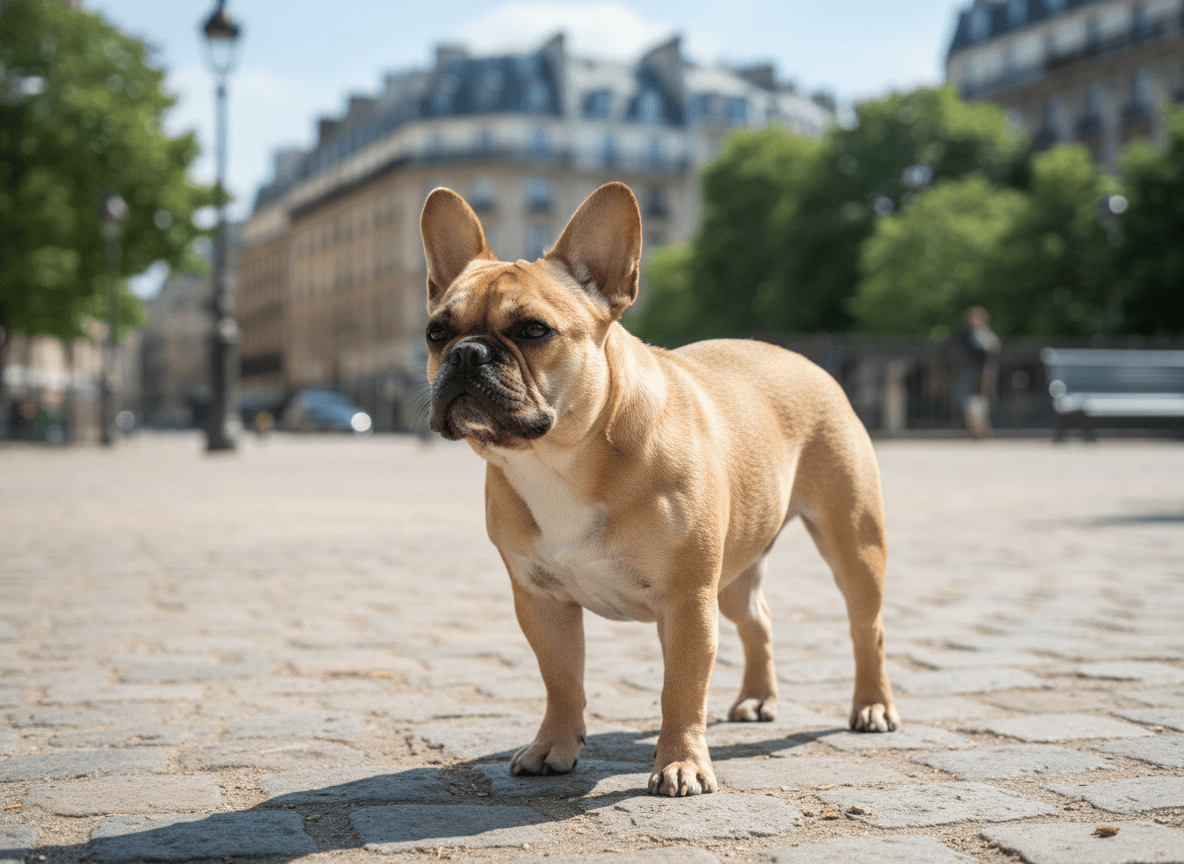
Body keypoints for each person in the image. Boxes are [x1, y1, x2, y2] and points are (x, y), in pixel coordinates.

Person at [951, 306, 1001, 439]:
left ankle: (980, 431)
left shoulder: (983, 335)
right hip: (969, 372)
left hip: (980, 373)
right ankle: (974, 431)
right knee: (970, 402)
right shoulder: (969, 335)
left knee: (977, 402)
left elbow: (991, 353)